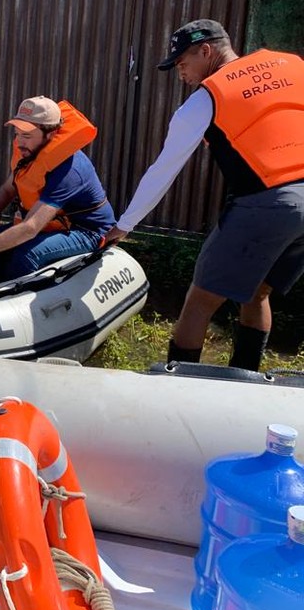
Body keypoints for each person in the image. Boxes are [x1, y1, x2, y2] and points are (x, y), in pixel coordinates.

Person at [105, 19, 304, 371]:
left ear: (206, 51)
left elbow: (163, 171)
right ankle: (246, 378)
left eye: (183, 64)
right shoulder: (291, 65)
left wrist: (124, 225)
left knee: (199, 301)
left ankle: (179, 389)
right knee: (257, 291)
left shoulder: (206, 99)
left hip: (267, 201)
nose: (181, 73)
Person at [0, 96, 115, 284]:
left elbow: (30, 228)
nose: (19, 142)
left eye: (26, 135)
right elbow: (9, 189)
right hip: (52, 224)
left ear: (50, 134)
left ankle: (14, 303)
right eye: (17, 134)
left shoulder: (69, 170)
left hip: (86, 231)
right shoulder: (30, 153)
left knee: (26, 255)